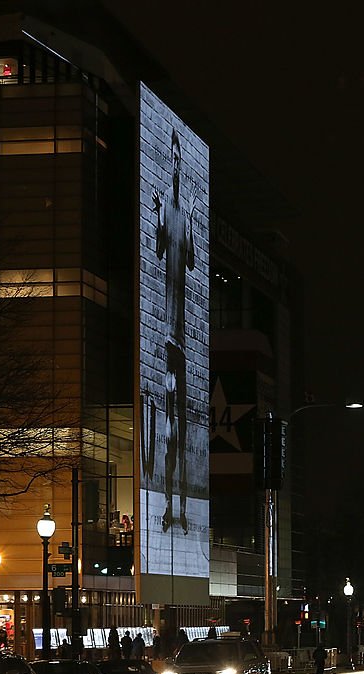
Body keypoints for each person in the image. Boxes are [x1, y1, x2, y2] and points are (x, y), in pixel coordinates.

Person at [150, 127, 198, 535]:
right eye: (175, 156)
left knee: (182, 421)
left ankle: (181, 505)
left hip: (183, 332)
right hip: (168, 331)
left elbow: (194, 261)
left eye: (182, 157)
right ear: (170, 159)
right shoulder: (165, 203)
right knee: (169, 422)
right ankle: (168, 505)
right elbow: (161, 250)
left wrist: (194, 224)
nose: (178, 162)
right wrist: (155, 217)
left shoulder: (185, 210)